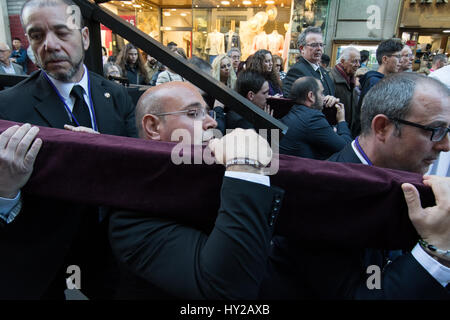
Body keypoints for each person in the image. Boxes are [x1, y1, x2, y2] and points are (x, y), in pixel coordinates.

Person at [262, 72, 450, 299]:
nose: (445, 146)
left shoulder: (395, 180)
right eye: (435, 130)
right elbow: (358, 294)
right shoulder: (325, 198)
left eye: (448, 131)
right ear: (382, 127)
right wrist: (434, 253)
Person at [0, 0, 137, 299]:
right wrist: (5, 192)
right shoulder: (8, 107)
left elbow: (136, 171)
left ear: (85, 38)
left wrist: (106, 152)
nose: (49, 45)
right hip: (43, 263)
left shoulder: (116, 96)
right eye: (37, 36)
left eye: (62, 32)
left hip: (114, 253)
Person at [109, 81, 284, 299]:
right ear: (153, 127)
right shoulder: (130, 220)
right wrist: (244, 167)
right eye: (193, 113)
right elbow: (228, 290)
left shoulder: (213, 176)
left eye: (208, 113)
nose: (211, 122)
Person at [279, 76, 351, 160]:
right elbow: (346, 148)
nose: (324, 97)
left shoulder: (296, 112)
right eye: (321, 93)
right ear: (311, 96)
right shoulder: (312, 118)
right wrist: (341, 120)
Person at [351, 39, 403, 137]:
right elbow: (370, 116)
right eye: (398, 57)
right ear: (385, 59)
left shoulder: (383, 80)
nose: (401, 61)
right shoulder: (375, 82)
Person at [329, 47, 360, 128]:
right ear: (342, 61)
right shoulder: (330, 78)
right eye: (354, 61)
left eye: (359, 61)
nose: (358, 65)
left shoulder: (351, 80)